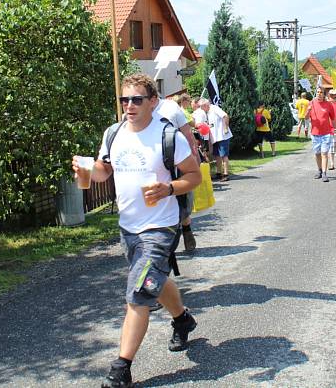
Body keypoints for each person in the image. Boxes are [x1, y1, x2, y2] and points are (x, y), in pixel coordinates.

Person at [75, 74, 201, 388]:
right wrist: (88, 169)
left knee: (139, 292)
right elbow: (105, 171)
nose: (129, 106)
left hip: (160, 227)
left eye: (136, 99)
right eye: (124, 100)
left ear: (153, 102)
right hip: (128, 227)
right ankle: (182, 319)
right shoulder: (113, 133)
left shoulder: (169, 136)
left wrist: (168, 188)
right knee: (154, 282)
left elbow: (194, 176)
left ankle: (122, 369)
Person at [157, 96, 200, 253]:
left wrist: (193, 160)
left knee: (179, 196)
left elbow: (188, 135)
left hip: (176, 159)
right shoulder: (139, 108)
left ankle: (185, 229)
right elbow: (188, 135)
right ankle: (180, 231)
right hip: (158, 162)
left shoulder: (171, 107)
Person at [306, 87, 336, 182]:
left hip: (326, 134)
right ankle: (319, 170)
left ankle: (324, 173)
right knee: (317, 153)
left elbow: (333, 118)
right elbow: (306, 118)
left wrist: (335, 129)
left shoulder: (328, 105)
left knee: (324, 153)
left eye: (321, 92)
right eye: (318, 92)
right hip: (315, 133)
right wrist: (308, 110)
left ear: (324, 94)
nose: (319, 94)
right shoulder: (311, 103)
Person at [201, 99, 232, 182]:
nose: (201, 109)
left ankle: (226, 174)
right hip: (215, 138)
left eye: (201, 107)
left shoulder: (214, 108)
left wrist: (225, 128)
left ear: (205, 105)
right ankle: (219, 173)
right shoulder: (207, 112)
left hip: (222, 136)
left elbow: (225, 116)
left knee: (224, 155)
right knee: (217, 155)